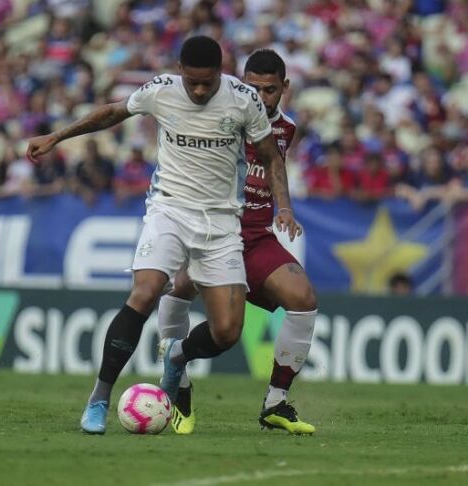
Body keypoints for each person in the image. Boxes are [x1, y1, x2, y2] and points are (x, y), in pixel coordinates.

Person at [26, 36, 298, 435]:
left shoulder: (243, 99)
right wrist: (57, 137)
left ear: (220, 73)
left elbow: (271, 155)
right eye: (193, 82)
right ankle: (99, 398)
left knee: (227, 331)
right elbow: (113, 113)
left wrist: (284, 206)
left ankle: (177, 355)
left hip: (222, 222)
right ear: (180, 71)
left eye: (207, 82)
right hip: (169, 209)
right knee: (146, 290)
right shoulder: (162, 90)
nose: (200, 90)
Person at [157, 49, 316, 436]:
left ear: (285, 88)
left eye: (271, 90)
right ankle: (178, 385)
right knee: (179, 286)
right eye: (253, 88)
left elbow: (274, 166)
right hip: (211, 228)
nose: (261, 98)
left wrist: (285, 208)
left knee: (303, 299)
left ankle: (275, 402)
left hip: (256, 236)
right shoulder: (220, 115)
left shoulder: (286, 129)